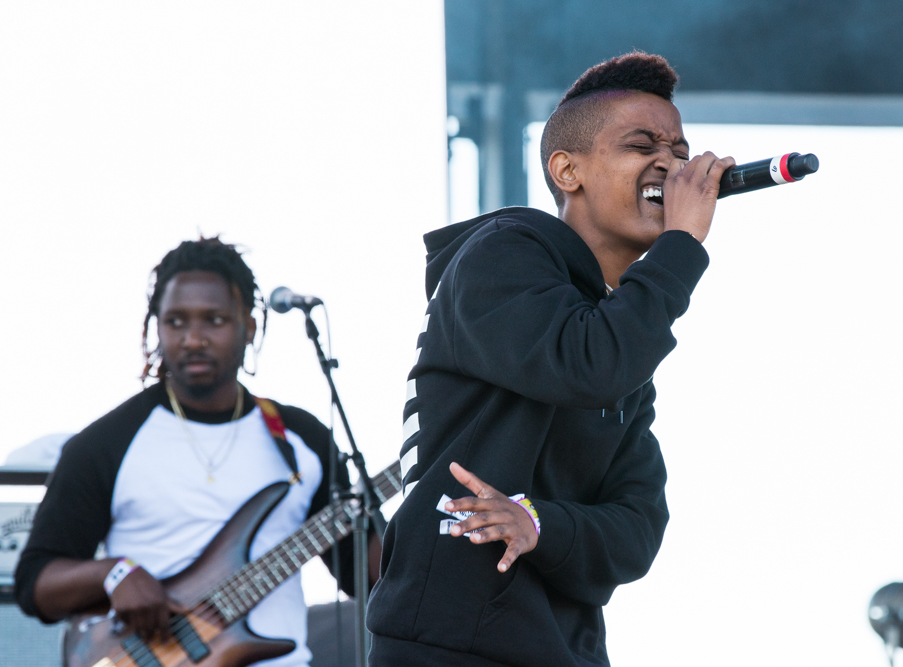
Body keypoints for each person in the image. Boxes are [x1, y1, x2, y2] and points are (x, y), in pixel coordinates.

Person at [366, 52, 735, 666]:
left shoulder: (621, 333)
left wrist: (539, 522)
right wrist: (679, 247)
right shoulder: (501, 254)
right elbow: (586, 365)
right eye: (642, 144)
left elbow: (639, 524)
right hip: (448, 644)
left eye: (678, 148)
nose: (669, 163)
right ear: (567, 170)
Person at [14, 237, 378, 667]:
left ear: (250, 326)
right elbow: (36, 584)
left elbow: (370, 576)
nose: (193, 339)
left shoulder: (301, 440)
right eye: (176, 321)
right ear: (157, 328)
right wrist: (113, 574)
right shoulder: (107, 442)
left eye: (214, 320)